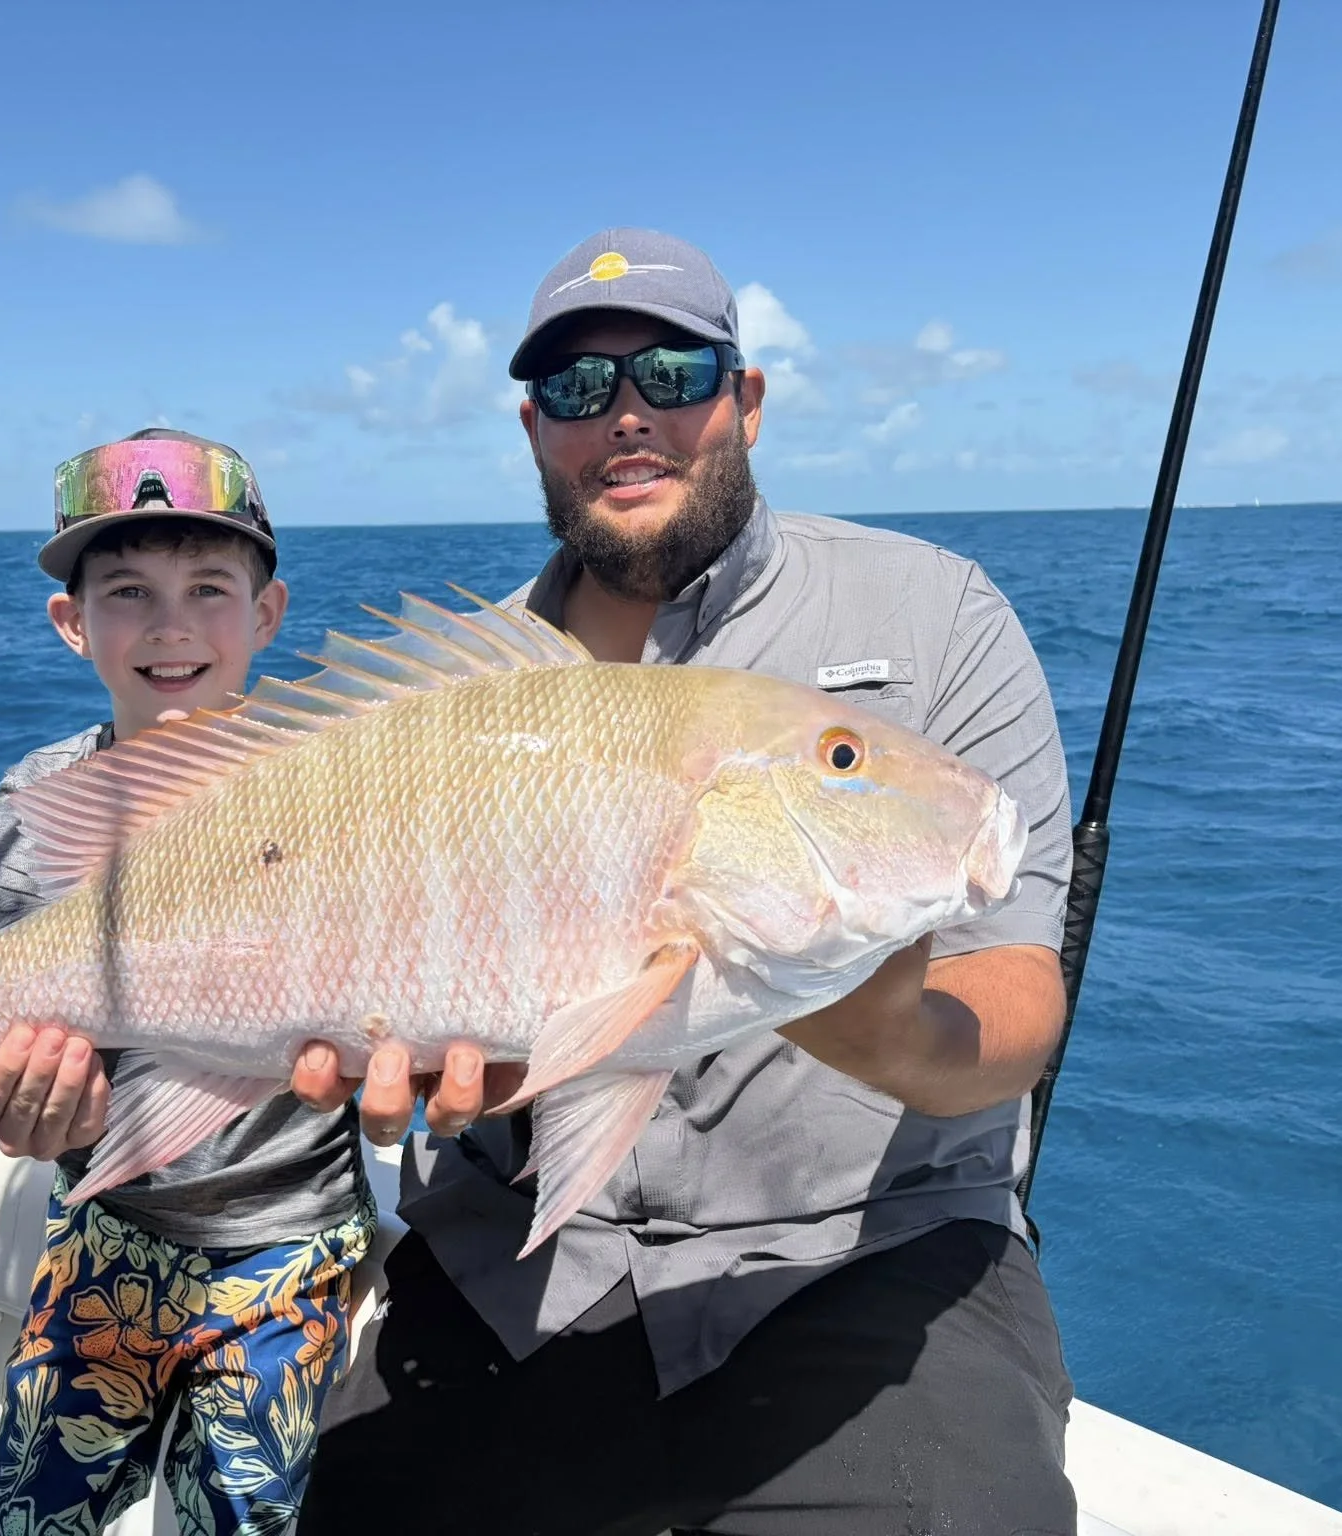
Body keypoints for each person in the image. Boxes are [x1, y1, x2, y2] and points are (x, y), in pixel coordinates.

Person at [289, 230, 1082, 1534]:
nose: (628, 417)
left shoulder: (939, 616)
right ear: (536, 428)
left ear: (746, 398)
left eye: (671, 371)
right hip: (514, 1263)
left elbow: (1013, 991)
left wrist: (888, 1034)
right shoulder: (462, 694)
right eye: (580, 391)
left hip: (863, 1256)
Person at [0, 428, 373, 1536]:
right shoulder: (37, 805)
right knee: (31, 1519)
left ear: (268, 614)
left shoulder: (340, 790)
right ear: (72, 622)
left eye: (208, 587)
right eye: (127, 591)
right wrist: (38, 1113)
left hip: (292, 1243)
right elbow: (66, 1086)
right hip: (105, 1232)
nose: (171, 625)